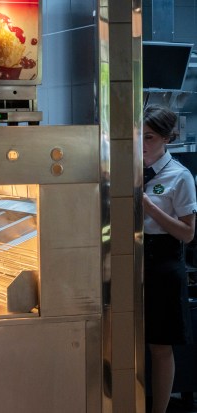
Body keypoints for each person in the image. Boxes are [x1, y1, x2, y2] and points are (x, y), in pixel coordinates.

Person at [142, 104, 196, 413]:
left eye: (149, 137)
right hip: (133, 258)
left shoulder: (179, 176)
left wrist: (149, 207)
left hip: (163, 262)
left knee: (160, 346)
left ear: (167, 139)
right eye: (139, 137)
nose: (142, 144)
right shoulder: (131, 169)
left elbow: (187, 234)